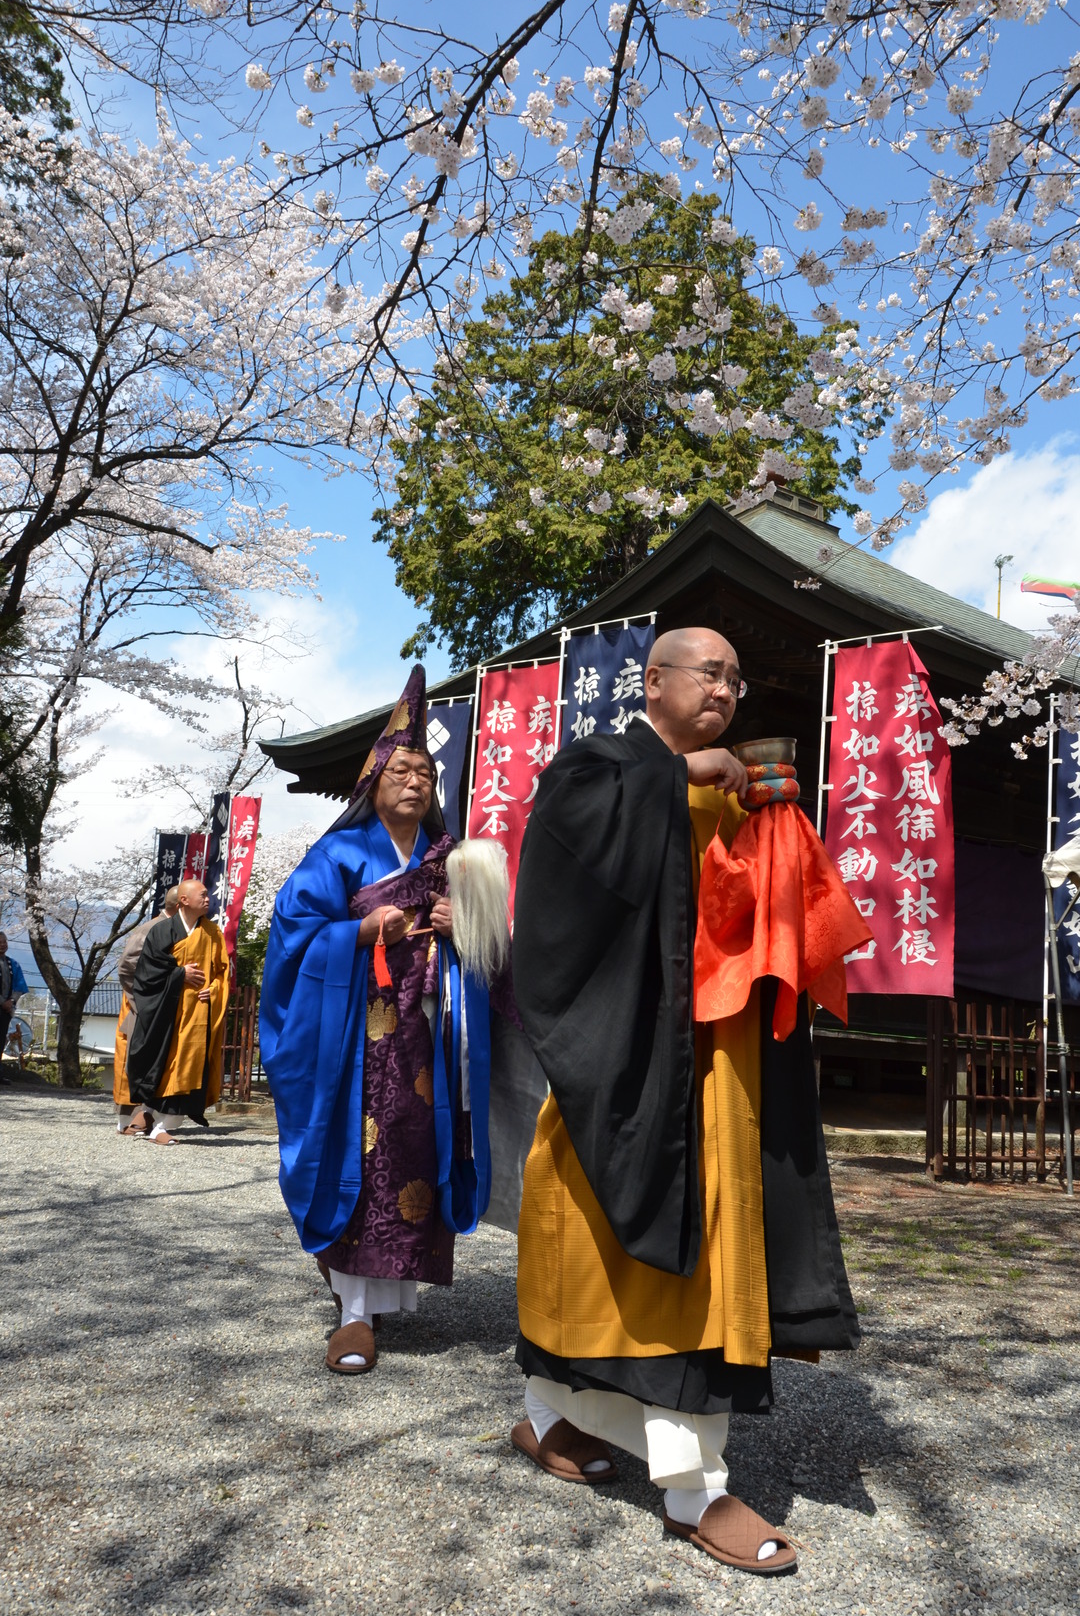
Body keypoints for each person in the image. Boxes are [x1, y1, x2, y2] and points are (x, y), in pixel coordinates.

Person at [510, 627, 864, 1578]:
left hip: (718, 1059)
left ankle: (588, 1433)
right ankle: (686, 1489)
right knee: (596, 1255)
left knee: (704, 1253)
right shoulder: (602, 764)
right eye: (712, 670)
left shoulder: (725, 781)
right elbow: (560, 890)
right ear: (654, 680)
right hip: (628, 1060)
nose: (728, 687)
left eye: (738, 677)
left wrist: (767, 823)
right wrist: (680, 783)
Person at [261, 667, 502, 1377]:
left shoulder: (445, 857)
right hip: (354, 1038)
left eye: (425, 771)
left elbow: (487, 947)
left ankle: (389, 1292)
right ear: (374, 778)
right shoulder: (338, 853)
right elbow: (292, 933)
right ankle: (355, 1314)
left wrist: (466, 925)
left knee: (412, 1156)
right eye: (400, 768)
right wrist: (361, 931)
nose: (414, 781)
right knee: (359, 1161)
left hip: (425, 1031)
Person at [126, 879, 229, 1144]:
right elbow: (147, 974)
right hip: (167, 1013)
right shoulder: (162, 931)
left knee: (189, 1067)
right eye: (203, 895)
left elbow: (222, 973)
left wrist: (215, 990)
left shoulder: (213, 933)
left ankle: (162, 1126)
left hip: (198, 1014)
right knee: (162, 1064)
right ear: (184, 900)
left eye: (208, 895)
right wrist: (179, 974)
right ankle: (150, 1114)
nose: (209, 899)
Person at [113, 885, 180, 1135]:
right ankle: (126, 1121)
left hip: (158, 1007)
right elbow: (126, 967)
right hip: (141, 1006)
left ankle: (145, 1118)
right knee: (133, 1062)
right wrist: (144, 1000)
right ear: (179, 906)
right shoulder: (152, 928)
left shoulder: (175, 928)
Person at [1, 931, 29, 1071]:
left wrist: (11, 1001)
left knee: (1, 1039)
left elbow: (20, 985)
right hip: (3, 1005)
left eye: (4, 942)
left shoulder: (13, 964)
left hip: (6, 1010)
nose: (2, 945)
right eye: (0, 943)